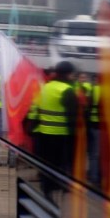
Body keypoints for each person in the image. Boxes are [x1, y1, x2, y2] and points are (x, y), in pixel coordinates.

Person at [27, 60, 78, 200]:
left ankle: (46, 187)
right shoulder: (67, 90)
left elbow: (35, 108)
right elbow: (72, 116)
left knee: (47, 162)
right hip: (62, 135)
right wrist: (75, 135)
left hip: (43, 132)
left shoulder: (45, 87)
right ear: (68, 74)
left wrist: (31, 127)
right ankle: (59, 186)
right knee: (62, 162)